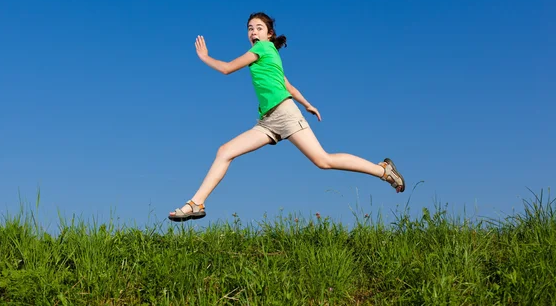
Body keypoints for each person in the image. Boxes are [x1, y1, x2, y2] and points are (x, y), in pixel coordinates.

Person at [168, 12, 405, 222]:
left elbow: (227, 68)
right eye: (250, 29)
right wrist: (308, 104)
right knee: (225, 151)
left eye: (259, 28)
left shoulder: (261, 49)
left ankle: (382, 170)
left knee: (324, 160)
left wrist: (205, 57)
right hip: (267, 121)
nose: (253, 32)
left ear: (269, 34)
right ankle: (196, 204)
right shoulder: (269, 55)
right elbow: (287, 85)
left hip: (284, 114)